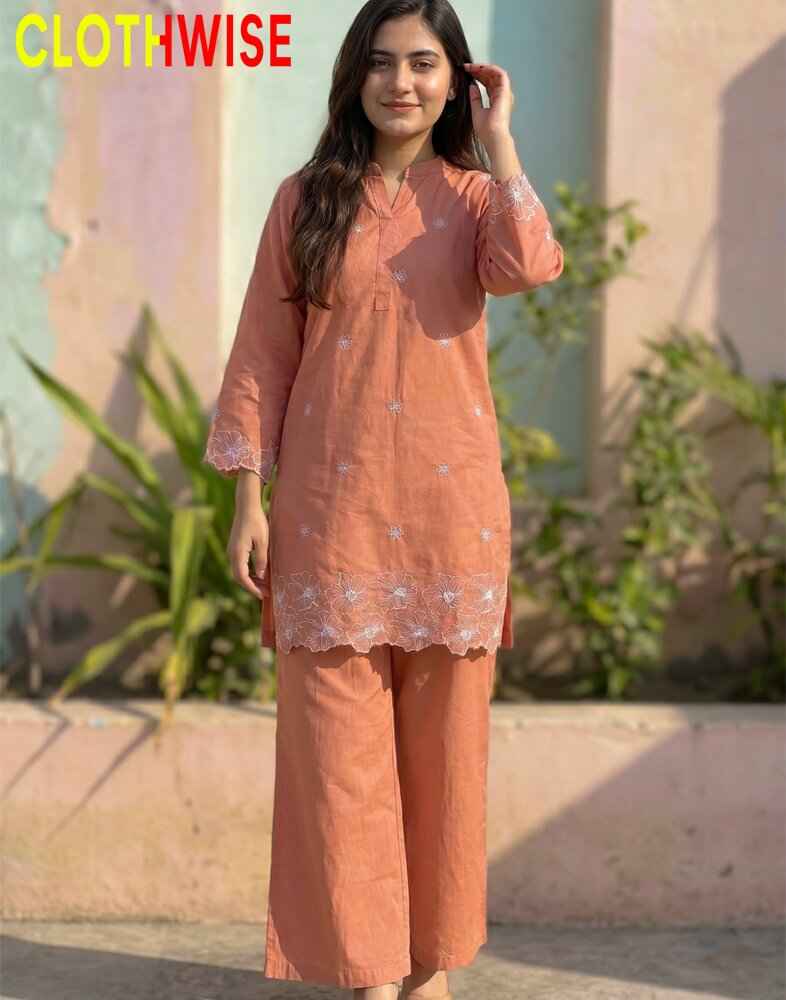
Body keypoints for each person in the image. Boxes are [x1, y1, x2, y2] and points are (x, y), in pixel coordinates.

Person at [203, 1, 564, 996]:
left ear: (455, 79)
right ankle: (368, 968)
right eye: (380, 62)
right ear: (353, 77)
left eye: (421, 63)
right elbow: (261, 359)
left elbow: (533, 265)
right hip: (331, 516)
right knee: (338, 759)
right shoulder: (305, 200)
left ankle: (429, 967)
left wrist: (502, 143)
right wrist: (248, 497)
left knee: (444, 761)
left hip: (453, 523)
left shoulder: (479, 202)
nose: (399, 82)